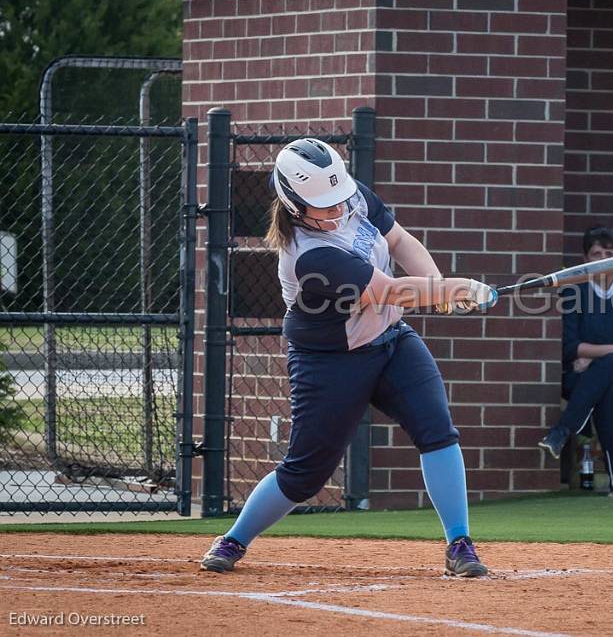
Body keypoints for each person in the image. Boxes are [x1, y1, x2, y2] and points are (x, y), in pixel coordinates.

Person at [200, 138, 496, 577]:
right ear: (294, 203)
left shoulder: (349, 193)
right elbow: (389, 290)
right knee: (306, 473)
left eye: (338, 199)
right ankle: (234, 539)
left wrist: (438, 287)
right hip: (330, 361)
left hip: (391, 340)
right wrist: (453, 289)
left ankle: (459, 544)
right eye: (324, 206)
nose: (337, 210)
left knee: (437, 430)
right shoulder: (309, 255)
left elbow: (399, 240)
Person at [537, 225, 613, 498]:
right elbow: (569, 348)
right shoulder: (574, 289)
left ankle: (562, 431)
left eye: (609, 252)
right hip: (583, 379)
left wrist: (592, 354)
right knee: (608, 391)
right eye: (596, 253)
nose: (602, 258)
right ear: (585, 258)